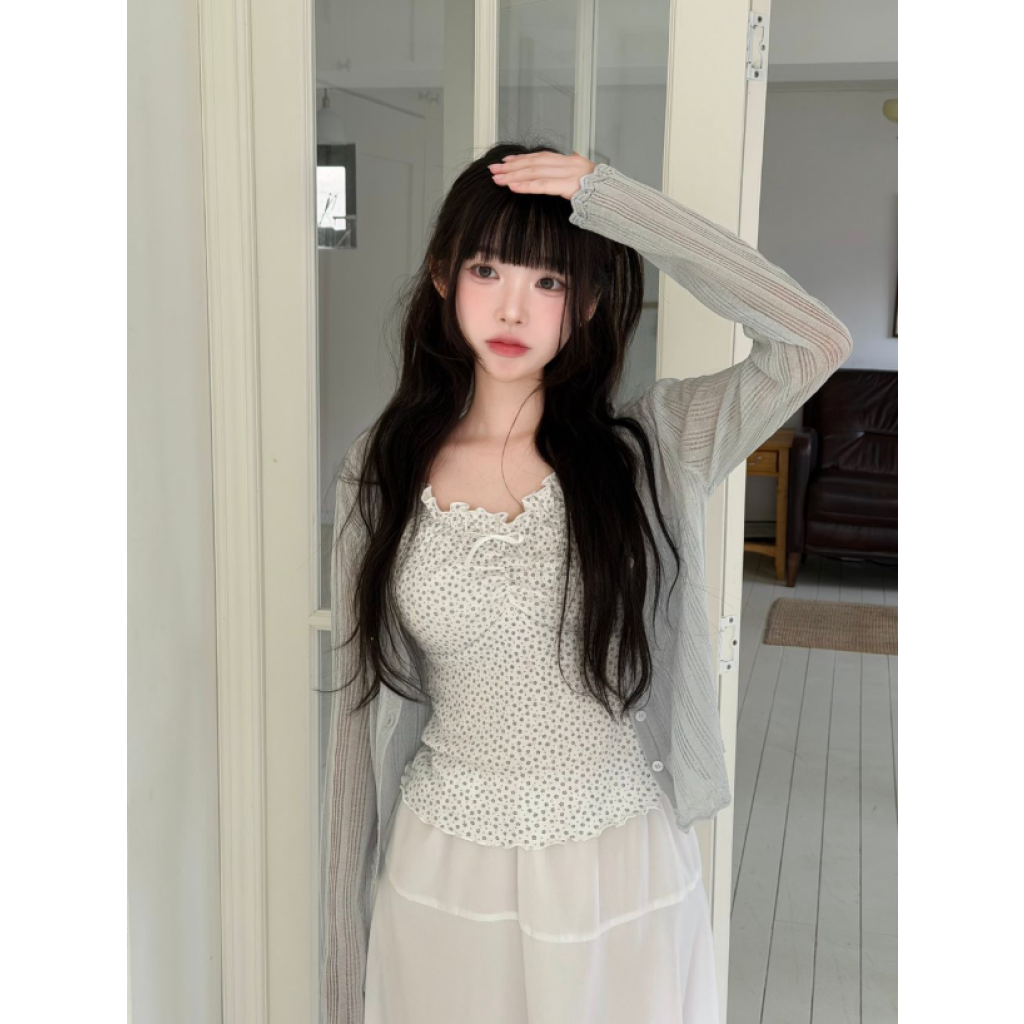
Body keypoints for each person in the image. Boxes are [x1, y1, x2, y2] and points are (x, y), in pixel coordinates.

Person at [320, 145, 854, 1024]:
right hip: (441, 870)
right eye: (487, 269)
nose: (512, 307)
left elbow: (814, 341)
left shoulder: (652, 449)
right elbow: (356, 727)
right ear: (443, 277)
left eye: (551, 281)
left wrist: (610, 202)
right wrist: (342, 978)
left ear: (592, 303)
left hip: (616, 868)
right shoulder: (378, 472)